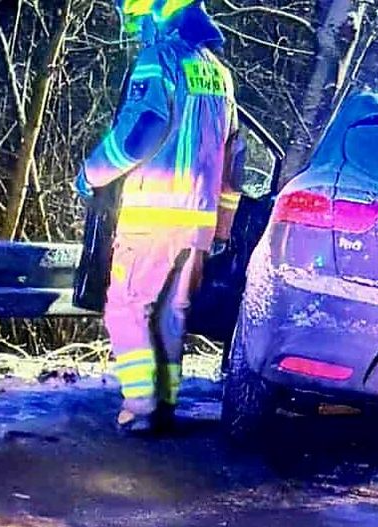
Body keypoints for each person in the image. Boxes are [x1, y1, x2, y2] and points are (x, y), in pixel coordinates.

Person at [79, 0, 243, 435]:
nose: (134, 29)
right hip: (198, 224)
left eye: (135, 17)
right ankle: (167, 403)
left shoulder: (159, 60)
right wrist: (221, 228)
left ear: (160, 11)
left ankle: (140, 407)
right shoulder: (220, 76)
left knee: (125, 310)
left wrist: (92, 173)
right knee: (173, 314)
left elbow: (141, 132)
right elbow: (235, 161)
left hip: (153, 217)